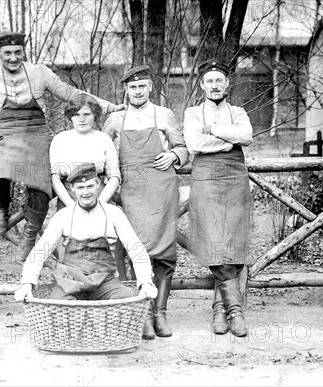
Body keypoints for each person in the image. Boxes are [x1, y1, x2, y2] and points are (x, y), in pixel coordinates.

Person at [0, 31, 124, 262]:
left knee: (40, 182)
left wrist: (108, 107)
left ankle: (30, 233)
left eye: (18, 52)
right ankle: (2, 208)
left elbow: (71, 94)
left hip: (37, 132)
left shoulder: (39, 72)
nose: (13, 57)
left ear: (24, 52)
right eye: (7, 53)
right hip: (5, 134)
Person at [103, 65, 189, 339]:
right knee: (136, 250)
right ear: (125, 90)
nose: (137, 91)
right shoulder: (116, 119)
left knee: (164, 250)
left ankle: (160, 314)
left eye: (142, 86)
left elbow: (183, 147)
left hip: (161, 189)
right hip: (132, 192)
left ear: (151, 87)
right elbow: (102, 151)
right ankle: (142, 314)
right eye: (132, 87)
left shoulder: (164, 115)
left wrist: (174, 157)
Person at [14, 163, 158, 302]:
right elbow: (39, 252)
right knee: (57, 303)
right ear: (72, 188)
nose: (86, 192)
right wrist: (27, 283)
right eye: (80, 187)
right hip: (71, 281)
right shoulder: (63, 216)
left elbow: (135, 248)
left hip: (104, 281)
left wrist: (145, 282)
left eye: (90, 186)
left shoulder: (113, 213)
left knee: (128, 297)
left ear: (98, 184)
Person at [183, 59, 253, 337]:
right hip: (205, 180)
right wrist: (228, 139)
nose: (214, 85)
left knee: (233, 244)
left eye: (219, 80)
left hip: (235, 178)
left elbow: (246, 135)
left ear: (227, 84)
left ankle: (218, 309)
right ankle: (234, 310)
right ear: (202, 85)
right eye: (209, 81)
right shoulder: (192, 112)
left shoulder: (238, 111)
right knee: (214, 243)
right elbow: (194, 144)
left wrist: (212, 130)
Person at [49, 95, 120, 209]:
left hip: (100, 197)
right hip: (69, 199)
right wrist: (72, 207)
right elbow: (55, 178)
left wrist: (100, 204)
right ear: (70, 116)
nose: (81, 120)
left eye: (87, 114)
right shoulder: (60, 139)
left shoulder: (104, 139)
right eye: (76, 115)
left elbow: (114, 176)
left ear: (95, 115)